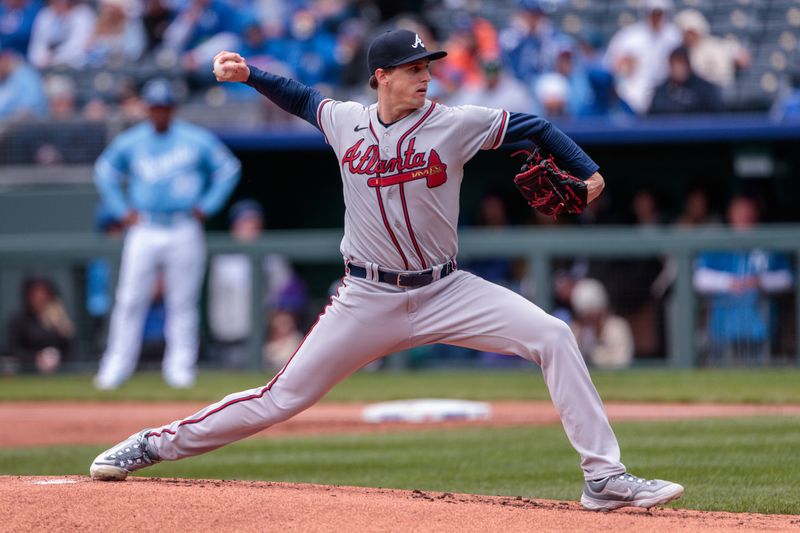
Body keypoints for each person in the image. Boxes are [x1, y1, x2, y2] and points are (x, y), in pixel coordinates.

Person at [90, 29, 683, 512]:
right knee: (280, 398)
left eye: (428, 66)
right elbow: (301, 98)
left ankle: (604, 479)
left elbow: (535, 127)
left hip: (447, 288)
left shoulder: (453, 122)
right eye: (412, 67)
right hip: (366, 297)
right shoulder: (346, 120)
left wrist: (587, 167)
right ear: (382, 76)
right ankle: (151, 445)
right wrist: (250, 76)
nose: (425, 75)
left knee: (553, 335)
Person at [92, 78, 241, 390]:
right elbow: (104, 171)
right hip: (145, 226)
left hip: (183, 225)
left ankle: (180, 368)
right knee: (130, 299)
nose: (159, 112)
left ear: (172, 109)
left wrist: (208, 204)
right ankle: (116, 366)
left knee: (182, 301)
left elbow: (229, 168)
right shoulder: (132, 141)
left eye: (164, 107)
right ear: (147, 109)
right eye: (154, 107)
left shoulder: (194, 139)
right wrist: (121, 210)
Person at [694, 196, 793, 366]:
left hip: (760, 327)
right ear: (730, 215)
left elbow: (787, 278)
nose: (744, 217)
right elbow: (699, 278)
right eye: (739, 212)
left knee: (761, 373)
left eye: (749, 212)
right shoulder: (717, 244)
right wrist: (729, 282)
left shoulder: (769, 245)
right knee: (721, 374)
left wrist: (759, 282)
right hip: (723, 327)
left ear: (757, 215)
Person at [603, 0, 682, 114]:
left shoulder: (674, 36)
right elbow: (610, 65)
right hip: (633, 91)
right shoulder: (629, 36)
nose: (656, 17)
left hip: (666, 91)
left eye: (659, 13)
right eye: (653, 12)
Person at [6, 275, 74, 374]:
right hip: (27, 374)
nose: (40, 297)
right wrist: (36, 358)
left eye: (44, 292)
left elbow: (71, 349)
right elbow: (13, 350)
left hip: (60, 374)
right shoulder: (19, 320)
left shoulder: (59, 317)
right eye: (35, 293)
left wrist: (62, 325)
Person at [569, 278, 634, 370]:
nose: (589, 320)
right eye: (584, 316)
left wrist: (594, 354)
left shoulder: (618, 327)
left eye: (592, 314)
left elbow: (622, 362)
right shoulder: (574, 330)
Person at [648, 46, 723, 115]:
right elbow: (651, 120)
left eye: (682, 63)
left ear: (689, 65)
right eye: (675, 64)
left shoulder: (705, 89)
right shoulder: (661, 92)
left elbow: (716, 118)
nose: (679, 68)